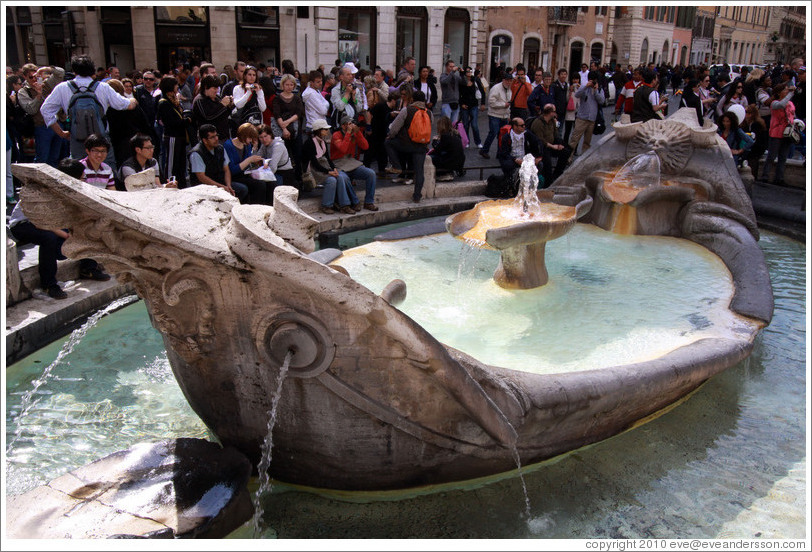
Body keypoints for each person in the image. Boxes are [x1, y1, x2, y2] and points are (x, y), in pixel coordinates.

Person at [8, 158, 111, 300]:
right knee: (49, 239)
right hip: (23, 225)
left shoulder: (68, 190)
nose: (84, 180)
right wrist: (66, 235)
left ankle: (89, 268)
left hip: (50, 224)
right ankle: (49, 285)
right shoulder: (46, 190)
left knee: (85, 229)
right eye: (82, 178)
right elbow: (40, 224)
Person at [40, 54, 137, 170]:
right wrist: (133, 99)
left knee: (78, 171)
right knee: (107, 170)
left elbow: (45, 110)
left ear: (74, 71)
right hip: (101, 138)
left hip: (77, 138)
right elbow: (126, 105)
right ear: (92, 70)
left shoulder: (63, 88)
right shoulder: (103, 87)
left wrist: (61, 133)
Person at [384, 89, 434, 203]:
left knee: (388, 143)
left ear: (412, 99)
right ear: (424, 101)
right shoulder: (429, 113)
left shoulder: (407, 110)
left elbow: (394, 129)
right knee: (419, 171)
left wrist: (390, 136)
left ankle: (397, 166)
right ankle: (417, 196)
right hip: (421, 146)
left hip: (406, 144)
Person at [303, 118, 358, 214]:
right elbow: (314, 164)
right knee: (331, 180)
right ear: (319, 130)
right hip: (314, 171)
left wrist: (334, 169)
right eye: (325, 129)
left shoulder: (323, 142)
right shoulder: (309, 143)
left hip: (323, 169)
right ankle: (327, 205)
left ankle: (344, 204)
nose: (327, 131)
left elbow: (328, 159)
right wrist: (329, 172)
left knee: (340, 177)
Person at [16, 63, 66, 167]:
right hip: (41, 127)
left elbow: (60, 73)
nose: (34, 80)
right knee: (42, 158)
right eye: (31, 77)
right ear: (25, 77)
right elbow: (31, 110)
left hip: (56, 124)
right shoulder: (23, 91)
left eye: (36, 76)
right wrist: (38, 95)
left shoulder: (47, 84)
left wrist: (46, 69)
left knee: (55, 157)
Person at [188, 124, 248, 202]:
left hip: (220, 182)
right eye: (212, 137)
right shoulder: (197, 153)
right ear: (205, 140)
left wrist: (228, 185)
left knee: (242, 189)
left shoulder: (220, 149)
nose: (216, 139)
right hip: (204, 187)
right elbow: (201, 177)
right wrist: (221, 187)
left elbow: (226, 170)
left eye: (216, 135)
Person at [330, 115, 378, 210]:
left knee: (371, 174)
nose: (352, 126)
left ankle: (369, 202)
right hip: (339, 162)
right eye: (349, 124)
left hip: (351, 161)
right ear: (343, 126)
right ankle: (355, 201)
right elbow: (343, 149)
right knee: (344, 178)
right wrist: (348, 133)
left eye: (353, 123)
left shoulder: (354, 134)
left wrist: (358, 133)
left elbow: (365, 147)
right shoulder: (336, 135)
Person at [105, 78, 154, 168]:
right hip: (137, 143)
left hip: (121, 146)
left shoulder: (110, 110)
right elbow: (145, 124)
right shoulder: (132, 104)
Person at [156, 76, 193, 186]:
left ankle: (181, 184)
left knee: (181, 163)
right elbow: (172, 122)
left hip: (181, 136)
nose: (177, 87)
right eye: (176, 85)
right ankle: (170, 183)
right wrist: (187, 120)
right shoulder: (164, 103)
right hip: (172, 136)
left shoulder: (175, 101)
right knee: (171, 164)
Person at [223, 122, 271, 204]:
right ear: (243, 136)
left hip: (244, 174)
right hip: (233, 177)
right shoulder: (228, 145)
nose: (251, 141)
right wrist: (249, 160)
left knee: (264, 183)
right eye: (250, 138)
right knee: (257, 185)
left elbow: (249, 164)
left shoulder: (247, 145)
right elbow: (232, 170)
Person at [760, 83, 796, 186]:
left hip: (787, 134)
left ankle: (779, 178)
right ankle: (765, 176)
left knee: (783, 157)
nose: (787, 92)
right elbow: (781, 105)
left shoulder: (790, 104)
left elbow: (792, 115)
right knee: (771, 156)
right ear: (779, 92)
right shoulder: (774, 103)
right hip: (776, 132)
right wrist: (790, 94)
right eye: (785, 90)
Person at [272, 73, 305, 181]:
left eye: (291, 85)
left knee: (298, 155)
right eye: (287, 84)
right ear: (282, 85)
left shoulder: (297, 99)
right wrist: (284, 127)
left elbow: (299, 113)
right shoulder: (277, 99)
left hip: (295, 129)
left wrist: (287, 122)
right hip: (281, 130)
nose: (289, 87)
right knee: (283, 157)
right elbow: (277, 113)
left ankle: (298, 180)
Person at [530, 104, 571, 187]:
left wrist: (560, 145)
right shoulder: (538, 123)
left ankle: (557, 174)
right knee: (547, 162)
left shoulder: (552, 121)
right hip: (542, 147)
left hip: (552, 144)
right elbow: (540, 140)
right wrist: (553, 146)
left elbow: (555, 134)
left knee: (566, 151)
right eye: (554, 111)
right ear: (550, 112)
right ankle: (548, 182)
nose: (555, 113)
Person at [568, 70, 605, 158]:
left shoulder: (599, 89)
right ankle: (568, 157)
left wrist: (595, 90)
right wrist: (585, 86)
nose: (592, 82)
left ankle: (583, 159)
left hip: (592, 119)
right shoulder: (584, 87)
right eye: (591, 80)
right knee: (574, 139)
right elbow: (577, 94)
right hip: (582, 118)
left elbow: (601, 101)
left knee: (587, 142)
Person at [479, 70, 514, 159]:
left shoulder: (509, 89)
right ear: (503, 80)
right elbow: (491, 103)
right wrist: (503, 105)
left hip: (504, 116)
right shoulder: (496, 88)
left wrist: (508, 115)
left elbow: (509, 103)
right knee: (493, 133)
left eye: (510, 80)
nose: (509, 82)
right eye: (507, 80)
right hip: (494, 115)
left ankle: (500, 152)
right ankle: (484, 150)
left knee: (502, 135)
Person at [192, 75, 232, 142]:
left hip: (223, 136)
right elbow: (208, 116)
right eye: (214, 88)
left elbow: (223, 114)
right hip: (209, 138)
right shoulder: (200, 100)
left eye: (217, 88)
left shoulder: (217, 98)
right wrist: (222, 105)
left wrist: (229, 106)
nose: (216, 91)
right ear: (206, 87)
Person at [256, 124, 295, 188]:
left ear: (270, 135)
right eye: (261, 137)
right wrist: (255, 147)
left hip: (283, 174)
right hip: (273, 172)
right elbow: (256, 158)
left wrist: (261, 176)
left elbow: (273, 167)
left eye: (265, 136)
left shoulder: (277, 146)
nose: (264, 139)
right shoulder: (264, 145)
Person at [231, 64, 266, 132]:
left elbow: (263, 108)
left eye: (254, 75)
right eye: (249, 74)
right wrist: (248, 92)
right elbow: (238, 105)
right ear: (245, 76)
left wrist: (259, 92)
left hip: (256, 123)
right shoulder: (238, 88)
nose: (252, 77)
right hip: (242, 122)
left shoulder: (259, 89)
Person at [429, 115, 465, 180]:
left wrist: (434, 141)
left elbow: (437, 150)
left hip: (451, 162)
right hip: (460, 161)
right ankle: (448, 172)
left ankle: (443, 173)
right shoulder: (456, 133)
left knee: (430, 157)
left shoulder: (445, 136)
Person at [459, 66, 484, 149]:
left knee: (474, 125)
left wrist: (483, 104)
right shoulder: (462, 82)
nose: (469, 73)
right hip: (464, 105)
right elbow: (459, 94)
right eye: (467, 72)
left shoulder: (476, 80)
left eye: (470, 71)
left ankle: (478, 142)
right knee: (465, 124)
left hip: (474, 105)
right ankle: (467, 141)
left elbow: (482, 92)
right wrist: (461, 104)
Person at [740, 105, 769, 178]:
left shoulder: (756, 124)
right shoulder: (745, 124)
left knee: (752, 159)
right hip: (749, 146)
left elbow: (757, 138)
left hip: (757, 147)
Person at [439, 59, 463, 124]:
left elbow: (463, 83)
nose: (452, 68)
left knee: (454, 124)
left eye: (453, 66)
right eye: (450, 66)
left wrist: (462, 73)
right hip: (447, 103)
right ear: (446, 67)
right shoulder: (443, 76)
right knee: (446, 124)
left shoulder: (456, 77)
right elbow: (445, 81)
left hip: (456, 102)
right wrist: (452, 72)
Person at [552, 68, 569, 141]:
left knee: (560, 130)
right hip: (556, 111)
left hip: (563, 111)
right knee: (554, 130)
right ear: (558, 75)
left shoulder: (566, 86)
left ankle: (558, 144)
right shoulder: (554, 85)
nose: (563, 76)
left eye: (565, 74)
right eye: (562, 74)